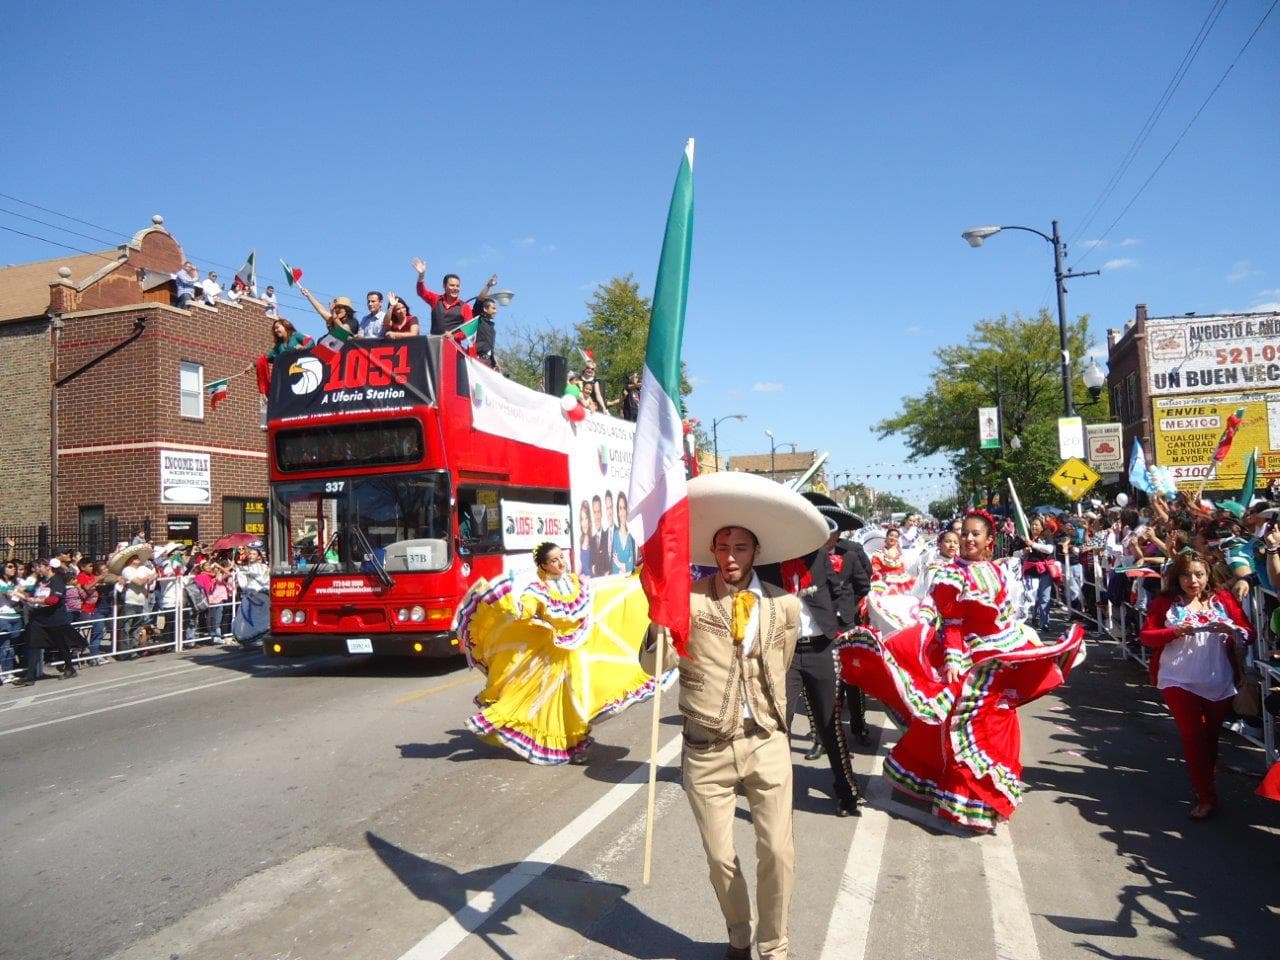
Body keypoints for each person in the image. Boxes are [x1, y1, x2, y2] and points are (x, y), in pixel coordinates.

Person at [638, 472, 828, 960]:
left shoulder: (785, 606)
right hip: (706, 746)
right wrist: (659, 621)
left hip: (766, 740)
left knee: (778, 852)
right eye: (722, 547)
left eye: (740, 547)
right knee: (721, 858)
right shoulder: (687, 598)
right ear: (712, 550)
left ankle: (775, 945)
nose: (730, 556)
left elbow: (781, 663)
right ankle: (740, 934)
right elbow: (655, 665)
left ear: (756, 552)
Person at [838, 510, 1084, 832]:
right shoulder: (951, 575)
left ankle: (980, 797)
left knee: (997, 719)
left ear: (989, 541)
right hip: (968, 658)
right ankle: (964, 794)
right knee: (969, 724)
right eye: (964, 533)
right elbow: (952, 623)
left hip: (998, 655)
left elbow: (1006, 614)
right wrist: (954, 659)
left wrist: (1022, 642)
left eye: (974, 534)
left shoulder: (997, 571)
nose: (968, 539)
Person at [457, 541, 658, 764]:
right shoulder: (538, 590)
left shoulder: (575, 582)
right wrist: (521, 610)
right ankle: (574, 743)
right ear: (544, 565)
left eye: (561, 557)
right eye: (554, 560)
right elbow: (527, 607)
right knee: (567, 699)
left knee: (579, 696)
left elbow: (603, 589)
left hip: (581, 648)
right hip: (556, 656)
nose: (561, 562)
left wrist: (634, 579)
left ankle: (575, 741)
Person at [1140, 551, 1252, 820]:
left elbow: (1248, 632)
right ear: (1176, 578)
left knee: (1210, 738)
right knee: (1192, 735)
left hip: (1218, 678)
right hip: (1177, 678)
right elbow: (1147, 636)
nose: (1193, 581)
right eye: (1186, 575)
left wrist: (1232, 630)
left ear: (1208, 575)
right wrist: (1174, 632)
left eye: (1199, 574)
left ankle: (1203, 784)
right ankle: (1206, 796)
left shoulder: (1222, 599)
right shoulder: (1166, 602)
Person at [762, 518, 862, 817]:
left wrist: (844, 623)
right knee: (779, 724)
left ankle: (846, 792)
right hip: (785, 653)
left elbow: (839, 588)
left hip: (820, 647)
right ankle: (777, 795)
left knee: (829, 723)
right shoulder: (767, 561)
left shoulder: (817, 555)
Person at [12, 558, 80, 684]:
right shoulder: (40, 581)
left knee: (60, 644)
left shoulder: (57, 580)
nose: (37, 569)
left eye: (39, 567)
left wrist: (34, 600)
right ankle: (30, 676)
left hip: (54, 618)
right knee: (34, 645)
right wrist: (22, 594)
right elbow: (29, 592)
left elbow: (53, 600)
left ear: (47, 567)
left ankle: (70, 668)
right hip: (39, 618)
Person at [411, 257, 496, 335]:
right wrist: (421, 275)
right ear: (444, 286)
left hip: (453, 345)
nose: (455, 288)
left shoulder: (465, 307)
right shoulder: (436, 299)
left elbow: (469, 330)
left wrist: (454, 336)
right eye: (452, 285)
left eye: (457, 286)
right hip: (434, 343)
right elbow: (422, 292)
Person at [1022, 516, 1057, 631]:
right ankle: (1034, 617)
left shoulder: (1047, 536)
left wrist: (1033, 544)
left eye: (1037, 525)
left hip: (1045, 571)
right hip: (1031, 572)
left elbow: (1049, 549)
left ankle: (1044, 623)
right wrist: (1024, 551)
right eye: (1032, 524)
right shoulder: (1026, 537)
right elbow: (1016, 553)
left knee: (1044, 598)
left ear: (1042, 527)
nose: (1034, 527)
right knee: (1033, 597)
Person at [869, 526, 914, 594]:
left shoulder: (900, 554)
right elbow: (875, 570)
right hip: (883, 584)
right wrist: (884, 578)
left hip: (899, 584)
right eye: (891, 535)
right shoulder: (878, 553)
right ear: (886, 537)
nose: (893, 538)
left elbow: (903, 569)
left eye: (896, 537)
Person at [0, 558, 21, 682]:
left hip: (15, 616)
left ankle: (9, 672)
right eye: (10, 567)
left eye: (14, 567)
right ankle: (3, 673)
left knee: (12, 647)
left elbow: (16, 599)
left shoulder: (15, 583)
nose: (13, 569)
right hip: (3, 617)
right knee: (4, 645)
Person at [611, 492, 637, 574]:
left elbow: (631, 566)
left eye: (624, 508)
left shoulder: (631, 536)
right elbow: (614, 567)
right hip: (618, 580)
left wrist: (620, 564)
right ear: (618, 512)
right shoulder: (615, 536)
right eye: (620, 508)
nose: (622, 512)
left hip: (630, 580)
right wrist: (625, 565)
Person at [589, 495, 612, 577]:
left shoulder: (608, 536)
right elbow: (590, 566)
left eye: (598, 512)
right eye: (595, 512)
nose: (597, 516)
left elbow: (609, 563)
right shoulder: (591, 541)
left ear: (601, 513)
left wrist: (595, 568)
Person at [472, 296, 499, 367]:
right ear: (485, 309)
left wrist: (494, 361)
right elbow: (479, 299)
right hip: (478, 360)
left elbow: (489, 346)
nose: (495, 311)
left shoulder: (491, 327)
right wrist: (488, 288)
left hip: (489, 362)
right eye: (493, 308)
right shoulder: (479, 320)